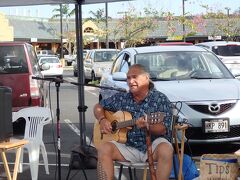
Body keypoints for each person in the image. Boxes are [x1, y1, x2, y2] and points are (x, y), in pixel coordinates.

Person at [94, 64, 173, 180]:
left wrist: (147, 126)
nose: (131, 81)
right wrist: (102, 120)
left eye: (135, 77)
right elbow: (98, 107)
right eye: (128, 78)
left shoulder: (160, 99)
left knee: (166, 149)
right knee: (103, 149)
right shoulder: (122, 98)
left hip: (152, 146)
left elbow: (163, 129)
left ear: (146, 78)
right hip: (127, 146)